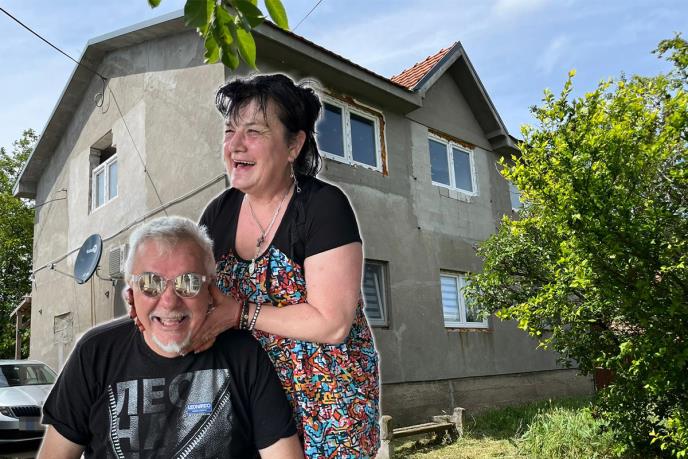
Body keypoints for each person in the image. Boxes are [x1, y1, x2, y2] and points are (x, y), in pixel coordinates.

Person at [193, 73, 380, 458]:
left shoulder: (322, 207)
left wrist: (240, 314)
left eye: (254, 131)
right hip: (251, 400)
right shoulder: (218, 214)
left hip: (327, 404)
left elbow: (332, 323)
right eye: (229, 130)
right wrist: (152, 294)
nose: (235, 144)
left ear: (294, 145)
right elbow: (199, 294)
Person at [39, 216, 303, 459]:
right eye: (150, 283)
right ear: (131, 292)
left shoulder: (243, 355)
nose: (169, 301)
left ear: (210, 290)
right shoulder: (95, 353)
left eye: (188, 282)